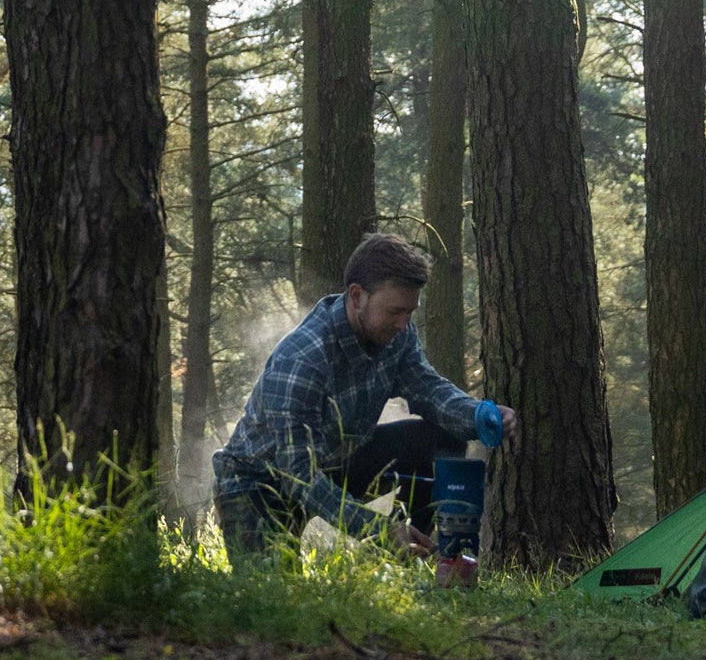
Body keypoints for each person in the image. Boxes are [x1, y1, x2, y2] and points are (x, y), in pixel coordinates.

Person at [211, 232, 516, 558]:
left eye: (410, 312)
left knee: (444, 436)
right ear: (357, 296)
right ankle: (392, 538)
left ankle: (419, 554)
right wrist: (375, 528)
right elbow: (297, 474)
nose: (404, 324)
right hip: (262, 484)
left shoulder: (397, 334)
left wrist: (476, 414)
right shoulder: (302, 359)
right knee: (275, 587)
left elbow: (428, 389)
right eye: (395, 311)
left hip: (336, 459)